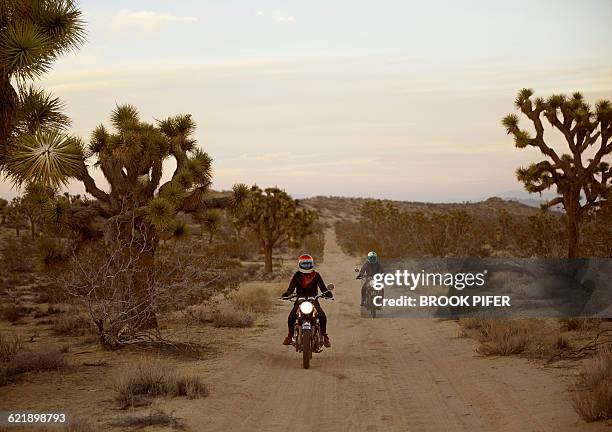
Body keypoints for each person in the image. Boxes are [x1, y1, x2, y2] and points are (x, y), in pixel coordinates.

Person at [281, 254, 333, 347]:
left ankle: (324, 336)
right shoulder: (297, 275)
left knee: (322, 315)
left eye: (308, 264)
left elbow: (322, 287)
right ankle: (290, 335)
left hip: (313, 299)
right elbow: (291, 289)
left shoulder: (316, 275)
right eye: (304, 264)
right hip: (300, 300)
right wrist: (287, 294)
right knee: (291, 317)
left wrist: (327, 293)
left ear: (312, 264)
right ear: (300, 264)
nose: (306, 266)